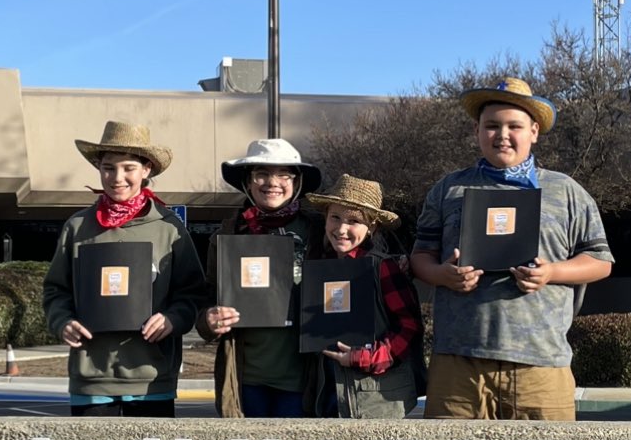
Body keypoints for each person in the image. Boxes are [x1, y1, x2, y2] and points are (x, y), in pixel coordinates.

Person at [410, 77, 614, 420]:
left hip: (541, 362)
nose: (502, 135)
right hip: (458, 362)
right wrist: (444, 276)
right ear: (477, 130)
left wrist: (552, 272)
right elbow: (419, 257)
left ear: (534, 131)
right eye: (492, 125)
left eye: (514, 126)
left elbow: (600, 261)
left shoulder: (565, 191)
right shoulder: (449, 189)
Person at [42, 120, 207, 417]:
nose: (117, 177)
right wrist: (62, 320)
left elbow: (193, 293)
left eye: (128, 167)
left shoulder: (170, 229)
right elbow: (56, 290)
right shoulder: (77, 227)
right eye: (108, 167)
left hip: (152, 379)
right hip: (90, 379)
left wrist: (173, 319)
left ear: (147, 170)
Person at [196, 139, 324, 418]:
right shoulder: (227, 235)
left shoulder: (319, 231)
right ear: (248, 182)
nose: (272, 182)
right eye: (261, 174)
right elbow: (205, 297)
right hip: (246, 377)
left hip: (301, 377)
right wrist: (208, 319)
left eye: (283, 175)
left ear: (297, 181)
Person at [305, 174, 423, 419]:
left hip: (377, 397)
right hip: (328, 393)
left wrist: (366, 357)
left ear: (372, 227)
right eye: (335, 217)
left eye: (354, 221)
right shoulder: (317, 268)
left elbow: (409, 327)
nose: (341, 229)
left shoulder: (383, 268)